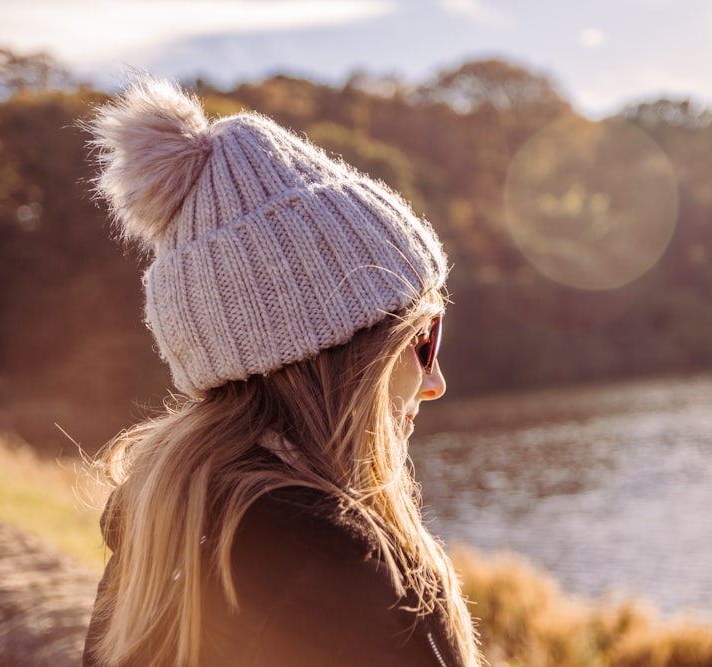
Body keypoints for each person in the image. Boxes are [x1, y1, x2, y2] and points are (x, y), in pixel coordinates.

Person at [82, 78, 482, 667]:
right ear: (351, 354)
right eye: (423, 340)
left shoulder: (162, 527)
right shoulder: (335, 574)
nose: (435, 380)